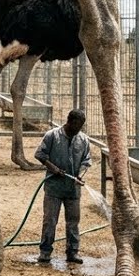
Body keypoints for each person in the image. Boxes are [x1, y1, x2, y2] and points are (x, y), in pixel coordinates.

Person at [33, 109, 92, 265]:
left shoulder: (83, 140)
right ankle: (45, 252)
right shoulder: (52, 136)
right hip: (54, 188)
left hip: (73, 190)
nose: (77, 130)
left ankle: (72, 252)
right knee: (50, 220)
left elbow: (86, 162)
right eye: (75, 126)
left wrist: (79, 174)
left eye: (80, 127)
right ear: (69, 121)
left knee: (73, 222)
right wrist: (53, 169)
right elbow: (40, 154)